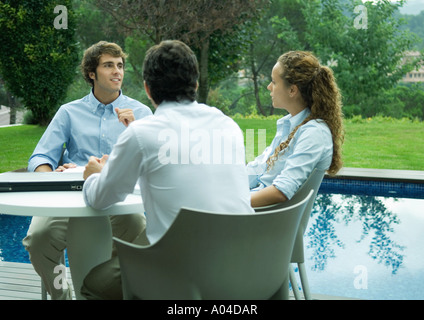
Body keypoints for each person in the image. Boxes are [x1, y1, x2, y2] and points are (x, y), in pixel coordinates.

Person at [81, 40, 254, 299]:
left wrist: (94, 176)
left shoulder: (142, 133)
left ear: (148, 89)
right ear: (195, 84)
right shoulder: (228, 125)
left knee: (93, 286)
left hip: (181, 275)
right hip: (247, 267)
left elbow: (101, 198)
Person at [22, 41, 153, 300]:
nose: (117, 71)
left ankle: (110, 293)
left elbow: (152, 163)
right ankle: (64, 296)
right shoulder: (68, 112)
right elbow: (39, 157)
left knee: (139, 233)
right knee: (37, 240)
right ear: (91, 73)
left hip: (120, 199)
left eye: (120, 66)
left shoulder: (140, 113)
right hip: (69, 198)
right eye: (108, 65)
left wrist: (135, 131)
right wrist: (52, 176)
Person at [248, 51, 344, 208]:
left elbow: (281, 191)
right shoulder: (290, 125)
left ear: (292, 90)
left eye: (274, 82)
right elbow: (258, 168)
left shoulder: (314, 133)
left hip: (261, 218)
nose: (269, 87)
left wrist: (233, 203)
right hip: (250, 208)